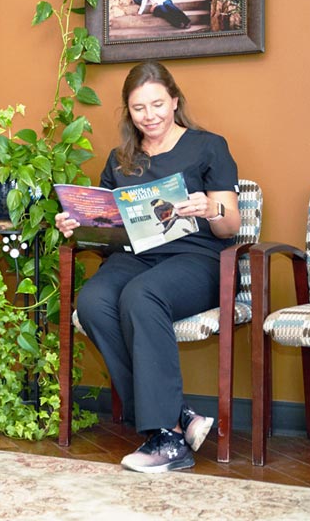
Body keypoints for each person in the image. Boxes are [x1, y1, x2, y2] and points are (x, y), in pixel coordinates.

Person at [55, 61, 240, 473]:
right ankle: (178, 419)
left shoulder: (209, 146)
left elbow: (232, 224)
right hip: (134, 257)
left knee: (142, 296)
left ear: (174, 101)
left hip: (198, 259)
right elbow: (106, 229)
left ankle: (169, 439)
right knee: (95, 300)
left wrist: (212, 207)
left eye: (158, 104)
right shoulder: (121, 160)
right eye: (139, 108)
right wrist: (78, 224)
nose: (150, 115)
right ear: (129, 112)